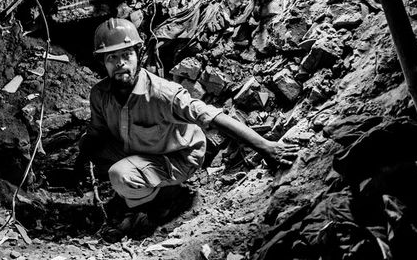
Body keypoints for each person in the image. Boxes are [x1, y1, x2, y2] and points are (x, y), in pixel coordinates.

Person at [76, 18, 300, 232]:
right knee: (94, 151)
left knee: (119, 175)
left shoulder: (163, 94)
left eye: (126, 55)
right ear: (103, 63)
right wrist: (78, 165)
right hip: (140, 148)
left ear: (138, 55)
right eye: (112, 58)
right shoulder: (100, 94)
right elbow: (95, 133)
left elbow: (211, 116)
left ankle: (166, 197)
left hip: (177, 157)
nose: (120, 64)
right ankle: (142, 187)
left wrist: (265, 147)